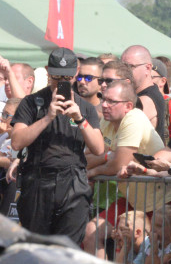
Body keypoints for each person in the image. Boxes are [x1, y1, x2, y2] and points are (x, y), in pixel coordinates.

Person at [10, 47, 104, 243]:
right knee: (37, 247)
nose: (61, 83)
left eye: (67, 78)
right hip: (38, 180)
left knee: (67, 249)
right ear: (47, 71)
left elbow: (99, 149)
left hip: (73, 182)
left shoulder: (85, 107)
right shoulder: (31, 103)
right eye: (56, 77)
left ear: (75, 73)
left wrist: (80, 119)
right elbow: (17, 141)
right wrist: (47, 117)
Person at [122, 45, 168, 141]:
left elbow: (123, 128)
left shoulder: (147, 99)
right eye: (122, 67)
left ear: (148, 68)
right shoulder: (139, 94)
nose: (124, 72)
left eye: (130, 66)